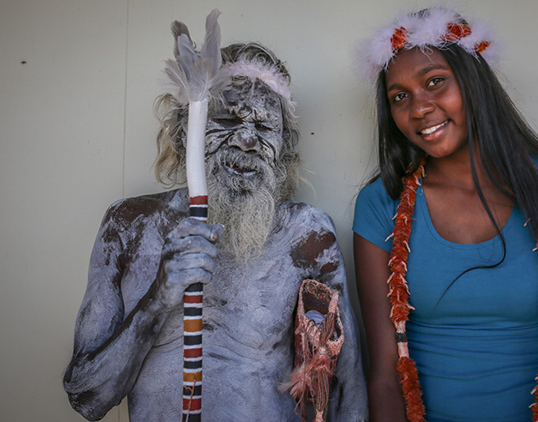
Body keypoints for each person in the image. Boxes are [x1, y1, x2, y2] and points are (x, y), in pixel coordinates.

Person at [63, 41, 367, 421]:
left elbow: (346, 394)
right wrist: (159, 296)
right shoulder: (130, 225)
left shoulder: (305, 235)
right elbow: (86, 398)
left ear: (284, 147)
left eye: (263, 126)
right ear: (184, 132)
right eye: (225, 120)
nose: (247, 139)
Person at [353, 6, 538, 422]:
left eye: (435, 82)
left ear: (474, 83)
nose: (418, 108)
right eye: (400, 96)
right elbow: (382, 376)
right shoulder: (382, 203)